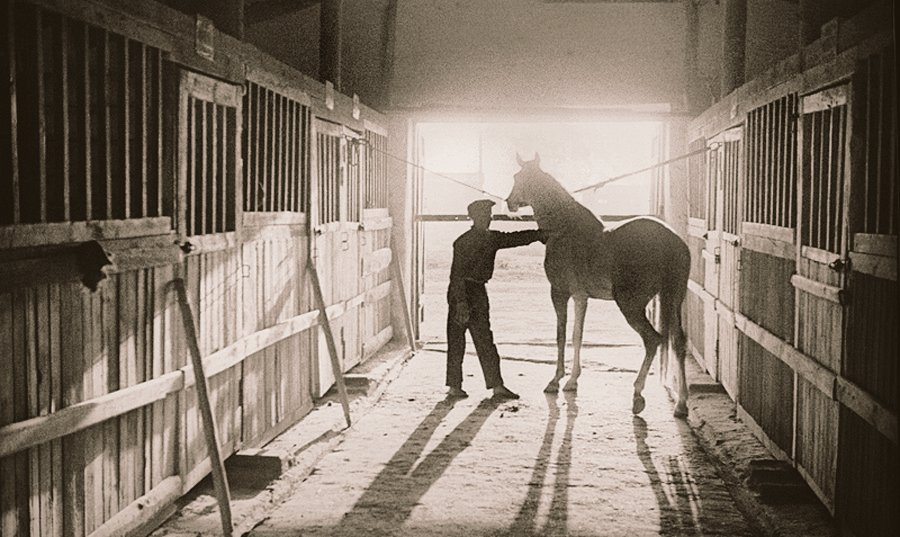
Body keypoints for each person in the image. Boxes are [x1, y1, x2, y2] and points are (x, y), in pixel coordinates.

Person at [446, 199, 546, 399]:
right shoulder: (463, 242)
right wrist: (461, 303)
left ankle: (496, 386)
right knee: (457, 340)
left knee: (485, 339)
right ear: (474, 217)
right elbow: (456, 276)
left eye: (488, 215)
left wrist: (540, 234)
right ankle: (455, 387)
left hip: (477, 291)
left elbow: (514, 238)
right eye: (484, 215)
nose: (488, 219)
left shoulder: (490, 238)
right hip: (461, 292)